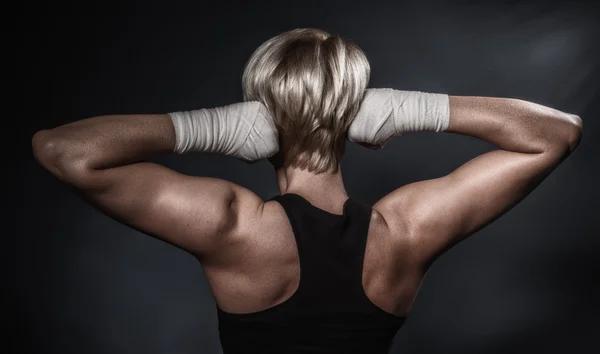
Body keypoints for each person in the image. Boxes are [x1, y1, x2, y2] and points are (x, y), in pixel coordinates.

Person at [31, 28, 583, 354]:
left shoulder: (233, 225)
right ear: (353, 113)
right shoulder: (407, 232)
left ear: (259, 111)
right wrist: (402, 108)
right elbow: (556, 134)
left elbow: (63, 150)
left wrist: (214, 127)